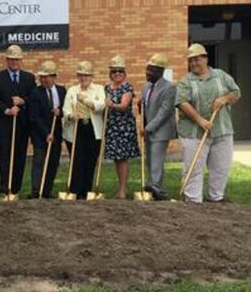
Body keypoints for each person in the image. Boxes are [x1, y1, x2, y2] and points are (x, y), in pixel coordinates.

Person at [176, 43, 241, 203]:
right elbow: (182, 102)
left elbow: (236, 92)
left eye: (196, 59)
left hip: (222, 131)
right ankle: (193, 201)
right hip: (193, 133)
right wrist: (200, 120)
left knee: (220, 168)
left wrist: (224, 99)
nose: (193, 64)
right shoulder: (186, 81)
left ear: (205, 59)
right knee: (193, 169)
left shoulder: (221, 76)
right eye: (190, 61)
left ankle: (216, 199)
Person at [0, 44, 35, 197]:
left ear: (21, 60)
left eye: (17, 59)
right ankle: (4, 188)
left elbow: (33, 98)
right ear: (7, 60)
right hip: (3, 125)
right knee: (4, 156)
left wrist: (22, 101)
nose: (14, 62)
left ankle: (15, 189)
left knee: (20, 157)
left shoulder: (29, 78)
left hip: (22, 125)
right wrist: (7, 110)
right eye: (11, 59)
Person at [62, 61, 106, 199]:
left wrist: (86, 101)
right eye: (81, 75)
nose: (83, 78)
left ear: (91, 76)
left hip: (93, 130)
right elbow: (66, 108)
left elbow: (101, 106)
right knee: (77, 160)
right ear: (77, 76)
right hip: (76, 128)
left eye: (86, 75)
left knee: (91, 160)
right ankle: (75, 190)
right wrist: (70, 115)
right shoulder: (72, 90)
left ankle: (87, 191)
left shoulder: (99, 89)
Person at [139, 54, 176, 201]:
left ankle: (157, 189)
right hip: (148, 129)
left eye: (151, 70)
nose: (147, 73)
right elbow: (147, 105)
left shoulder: (169, 88)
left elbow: (164, 113)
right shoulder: (146, 86)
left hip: (160, 131)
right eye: (147, 69)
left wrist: (148, 128)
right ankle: (154, 187)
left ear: (160, 72)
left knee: (156, 161)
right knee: (150, 160)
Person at [104, 55, 140, 199]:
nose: (117, 74)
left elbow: (124, 105)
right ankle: (120, 187)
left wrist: (112, 105)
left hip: (124, 127)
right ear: (110, 73)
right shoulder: (106, 87)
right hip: (112, 126)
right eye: (114, 71)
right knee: (116, 158)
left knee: (123, 158)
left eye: (120, 71)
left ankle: (123, 190)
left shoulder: (127, 87)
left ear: (124, 72)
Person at [29, 60, 66, 199]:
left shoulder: (62, 90)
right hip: (40, 133)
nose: (43, 79)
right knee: (39, 161)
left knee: (53, 162)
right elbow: (35, 116)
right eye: (42, 77)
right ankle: (35, 192)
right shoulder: (35, 93)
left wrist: (60, 111)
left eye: (47, 76)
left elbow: (66, 108)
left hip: (56, 133)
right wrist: (46, 133)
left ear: (54, 77)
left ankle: (46, 191)